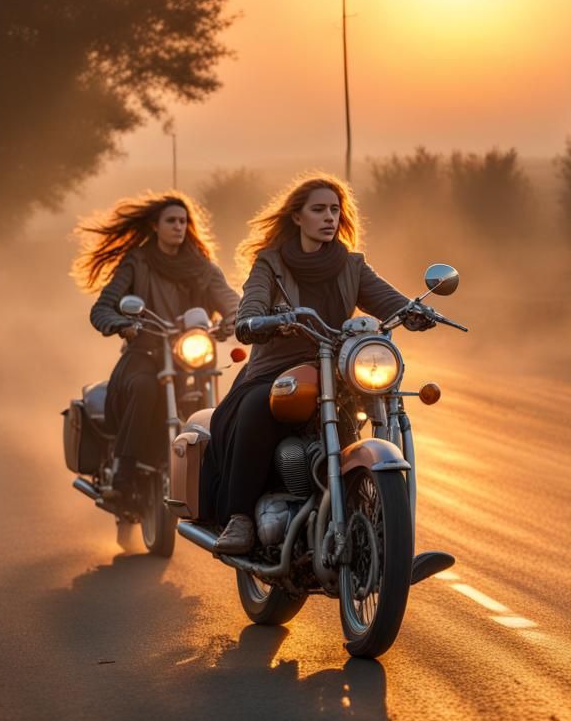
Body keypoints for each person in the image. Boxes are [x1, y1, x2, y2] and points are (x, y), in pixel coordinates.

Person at [202, 173, 433, 554]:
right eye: (318, 210)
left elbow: (390, 301)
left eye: (335, 210)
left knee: (374, 408)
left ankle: (379, 532)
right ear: (297, 217)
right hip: (276, 369)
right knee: (259, 407)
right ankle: (239, 517)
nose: (329, 218)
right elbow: (252, 305)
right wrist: (256, 321)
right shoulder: (270, 264)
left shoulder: (352, 265)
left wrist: (416, 311)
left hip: (338, 372)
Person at [73, 191, 240, 501]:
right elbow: (102, 308)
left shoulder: (201, 266)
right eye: (171, 221)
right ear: (154, 225)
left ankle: (216, 474)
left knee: (217, 401)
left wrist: (233, 320)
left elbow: (231, 300)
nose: (179, 226)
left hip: (189, 354)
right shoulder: (138, 262)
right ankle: (124, 470)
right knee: (144, 387)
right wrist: (123, 325)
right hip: (144, 353)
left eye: (183, 221)